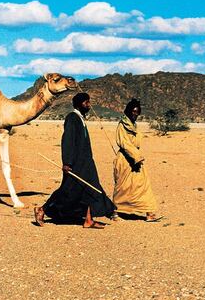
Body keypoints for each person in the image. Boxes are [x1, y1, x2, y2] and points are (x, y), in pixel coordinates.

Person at [34, 92, 116, 228]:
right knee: (68, 191)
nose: (89, 105)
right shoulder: (72, 118)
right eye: (86, 102)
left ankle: (88, 220)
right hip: (76, 164)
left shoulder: (81, 119)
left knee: (91, 189)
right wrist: (67, 162)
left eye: (89, 102)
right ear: (79, 104)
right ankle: (42, 209)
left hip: (86, 163)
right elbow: (68, 141)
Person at [112, 98, 162, 221]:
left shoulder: (133, 125)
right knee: (123, 186)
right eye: (133, 112)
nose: (135, 114)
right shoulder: (122, 125)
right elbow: (124, 143)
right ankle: (115, 211)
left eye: (137, 112)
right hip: (125, 160)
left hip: (135, 160)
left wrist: (137, 157)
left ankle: (149, 212)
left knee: (143, 184)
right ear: (128, 111)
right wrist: (136, 156)